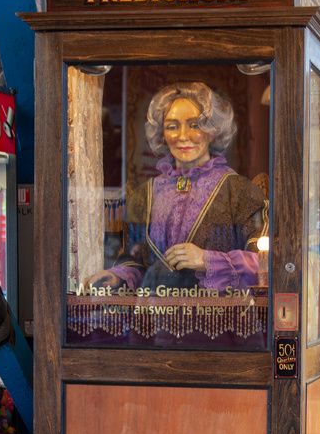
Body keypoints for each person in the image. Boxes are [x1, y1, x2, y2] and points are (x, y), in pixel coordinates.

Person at [87, 81, 266, 294]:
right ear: (162, 133)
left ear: (212, 131)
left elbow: (265, 265)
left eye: (195, 125)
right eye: (172, 126)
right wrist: (117, 276)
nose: (182, 136)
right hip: (154, 319)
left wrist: (207, 260)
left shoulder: (239, 192)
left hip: (216, 321)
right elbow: (136, 263)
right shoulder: (146, 195)